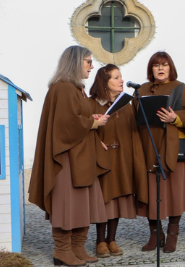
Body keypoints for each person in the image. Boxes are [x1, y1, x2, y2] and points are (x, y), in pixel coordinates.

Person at [28, 46, 109, 267]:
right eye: (88, 62)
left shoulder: (75, 88)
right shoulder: (63, 88)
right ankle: (62, 251)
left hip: (81, 156)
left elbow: (74, 116)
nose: (92, 67)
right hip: (66, 158)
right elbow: (66, 123)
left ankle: (77, 247)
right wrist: (93, 122)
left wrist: (90, 117)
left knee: (82, 203)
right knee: (67, 203)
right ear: (75, 62)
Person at [135, 51, 185, 254]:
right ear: (151, 69)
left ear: (170, 67)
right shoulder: (141, 90)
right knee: (152, 191)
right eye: (156, 65)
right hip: (149, 146)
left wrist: (176, 118)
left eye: (164, 65)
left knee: (174, 193)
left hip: (174, 147)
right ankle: (155, 234)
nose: (161, 69)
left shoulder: (182, 88)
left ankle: (172, 234)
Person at [88, 65, 143, 258]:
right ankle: (99, 241)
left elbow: (131, 132)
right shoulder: (91, 104)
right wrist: (96, 142)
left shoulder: (125, 105)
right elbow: (85, 130)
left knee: (117, 200)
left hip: (121, 158)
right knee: (103, 200)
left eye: (121, 77)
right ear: (105, 82)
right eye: (116, 78)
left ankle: (112, 239)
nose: (121, 81)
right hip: (102, 160)